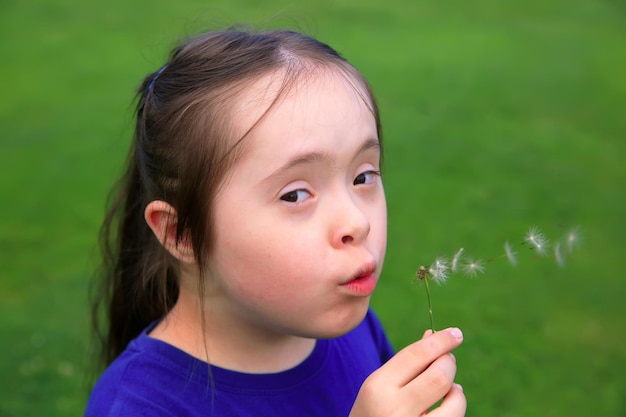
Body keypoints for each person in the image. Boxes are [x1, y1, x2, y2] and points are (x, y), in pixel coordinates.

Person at [86, 27, 466, 417]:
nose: (357, 221)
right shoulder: (140, 407)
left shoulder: (354, 330)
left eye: (363, 176)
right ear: (182, 233)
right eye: (296, 194)